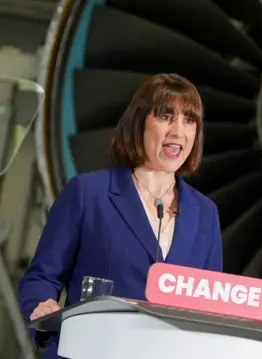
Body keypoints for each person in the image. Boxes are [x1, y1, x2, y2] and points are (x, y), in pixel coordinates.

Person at [18, 73, 223, 358]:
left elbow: (212, 306)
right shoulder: (87, 193)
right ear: (139, 123)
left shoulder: (206, 214)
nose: (178, 131)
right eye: (166, 116)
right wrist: (42, 307)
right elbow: (41, 277)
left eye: (189, 120)